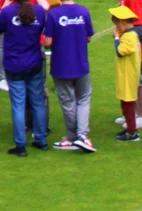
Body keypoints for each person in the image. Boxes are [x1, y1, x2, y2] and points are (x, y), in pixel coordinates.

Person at [0, 0, 47, 157]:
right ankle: (41, 140)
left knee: (18, 105)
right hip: (34, 62)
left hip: (14, 63)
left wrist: (3, 8)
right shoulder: (39, 11)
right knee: (37, 102)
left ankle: (21, 145)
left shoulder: (8, 12)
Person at [45, 0, 95, 152]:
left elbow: (48, 42)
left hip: (61, 65)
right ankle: (83, 136)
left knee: (68, 102)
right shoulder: (84, 11)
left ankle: (72, 137)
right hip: (81, 63)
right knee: (83, 99)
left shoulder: (54, 14)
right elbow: (89, 37)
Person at [110, 5, 142, 142]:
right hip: (127, 74)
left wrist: (116, 38)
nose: (116, 26)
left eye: (117, 23)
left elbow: (120, 51)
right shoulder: (132, 34)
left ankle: (132, 132)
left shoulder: (130, 37)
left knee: (128, 104)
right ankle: (130, 128)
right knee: (125, 103)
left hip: (128, 75)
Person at [119, 0, 142, 129]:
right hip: (131, 46)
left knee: (139, 81)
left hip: (137, 50)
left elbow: (137, 26)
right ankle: (131, 113)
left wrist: (122, 39)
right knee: (132, 81)